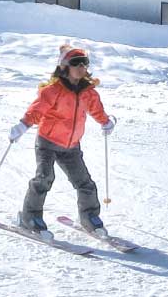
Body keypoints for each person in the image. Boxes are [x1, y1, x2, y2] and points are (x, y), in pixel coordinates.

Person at [11, 44, 116, 239]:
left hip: (72, 147)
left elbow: (96, 110)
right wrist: (23, 125)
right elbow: (37, 110)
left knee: (85, 183)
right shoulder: (52, 91)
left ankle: (89, 218)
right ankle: (29, 218)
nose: (81, 67)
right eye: (76, 63)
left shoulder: (88, 92)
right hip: (48, 143)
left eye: (85, 63)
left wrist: (106, 122)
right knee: (44, 179)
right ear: (65, 66)